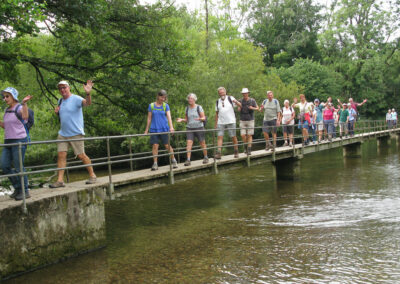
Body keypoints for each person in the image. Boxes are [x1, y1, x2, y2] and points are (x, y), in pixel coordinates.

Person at [49, 80, 97, 188]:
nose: (62, 90)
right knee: (61, 155)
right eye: (60, 88)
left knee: (81, 155)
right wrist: (57, 113)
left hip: (76, 133)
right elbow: (64, 116)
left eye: (64, 87)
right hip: (63, 133)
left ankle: (92, 175)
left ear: (69, 87)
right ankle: (60, 180)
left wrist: (88, 93)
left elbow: (88, 103)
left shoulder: (76, 98)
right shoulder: (60, 101)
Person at [0, 87, 32, 200]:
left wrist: (24, 104)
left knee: (19, 167)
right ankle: (18, 188)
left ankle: (25, 191)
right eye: (3, 96)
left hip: (19, 141)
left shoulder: (19, 108)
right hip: (7, 141)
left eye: (7, 96)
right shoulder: (7, 110)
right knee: (4, 165)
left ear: (13, 96)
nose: (5, 98)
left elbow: (25, 117)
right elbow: (6, 126)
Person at [144, 89, 178, 171]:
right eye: (162, 97)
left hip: (164, 128)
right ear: (158, 96)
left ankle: (173, 160)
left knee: (167, 145)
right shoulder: (151, 106)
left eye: (164, 98)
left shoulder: (165, 106)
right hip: (154, 129)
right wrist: (146, 130)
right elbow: (149, 118)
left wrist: (171, 127)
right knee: (155, 146)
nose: (163, 99)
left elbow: (169, 117)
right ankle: (155, 163)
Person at [176, 93, 209, 166]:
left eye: (191, 98)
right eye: (189, 98)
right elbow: (187, 120)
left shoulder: (199, 107)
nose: (189, 100)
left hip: (199, 127)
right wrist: (182, 120)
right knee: (189, 143)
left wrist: (201, 118)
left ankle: (206, 157)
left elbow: (204, 117)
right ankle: (188, 160)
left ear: (194, 99)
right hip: (190, 128)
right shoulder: (187, 108)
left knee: (202, 143)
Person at [214, 87, 241, 159]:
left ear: (225, 92)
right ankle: (219, 153)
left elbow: (240, 105)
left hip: (231, 121)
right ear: (218, 94)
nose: (221, 94)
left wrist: (236, 102)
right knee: (219, 137)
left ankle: (236, 151)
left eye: (222, 92)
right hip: (221, 122)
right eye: (220, 93)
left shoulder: (230, 98)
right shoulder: (217, 101)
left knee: (233, 136)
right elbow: (216, 113)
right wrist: (215, 124)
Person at [238, 88, 258, 155]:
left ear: (248, 93)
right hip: (242, 120)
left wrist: (252, 108)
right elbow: (237, 107)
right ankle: (245, 146)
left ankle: (248, 149)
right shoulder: (240, 100)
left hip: (250, 120)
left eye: (246, 93)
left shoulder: (252, 100)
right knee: (243, 135)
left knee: (249, 135)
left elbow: (257, 108)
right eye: (243, 93)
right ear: (242, 94)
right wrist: (239, 108)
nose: (245, 94)